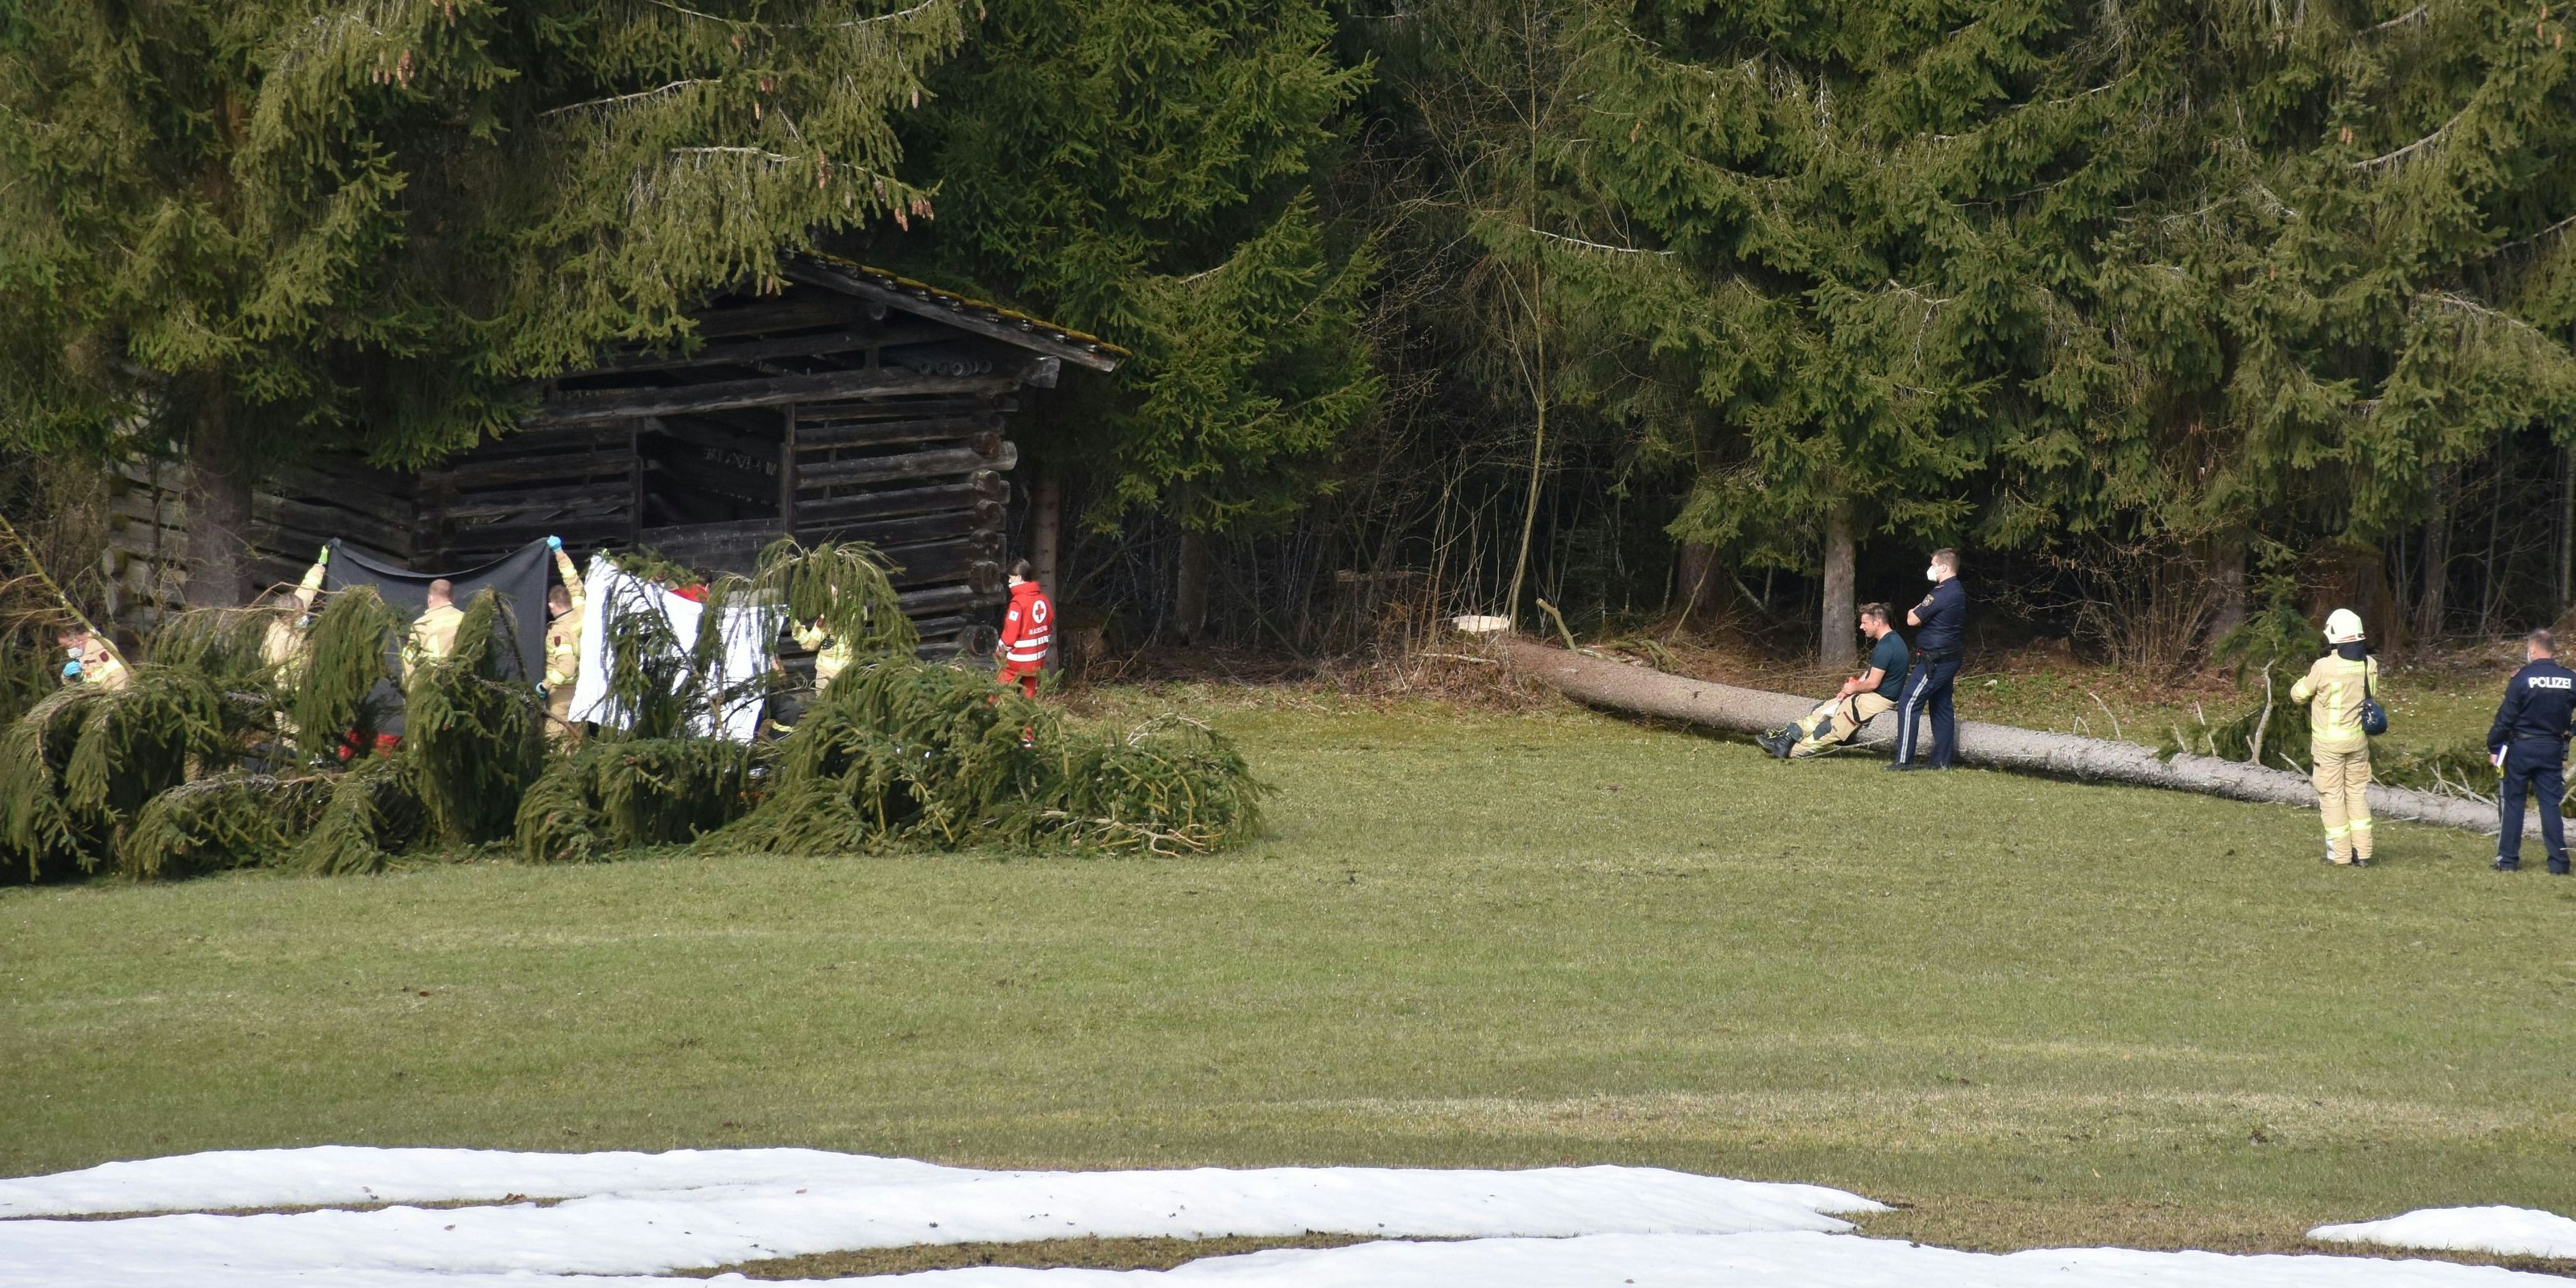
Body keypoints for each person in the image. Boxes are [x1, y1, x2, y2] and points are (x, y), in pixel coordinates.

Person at [1760, 604, 1910, 758]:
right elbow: (1870, 673)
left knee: (1828, 729)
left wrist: (1853, 689)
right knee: (1824, 709)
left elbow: (1873, 683)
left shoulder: (1887, 647)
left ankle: (1792, 752)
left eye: (1864, 623)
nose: (1861, 626)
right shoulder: (1890, 641)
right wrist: (1850, 688)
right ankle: (1784, 741)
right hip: (1869, 697)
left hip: (1877, 700)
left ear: (1877, 622)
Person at [2290, 608, 2380, 867]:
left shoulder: (2324, 667)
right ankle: (2362, 853)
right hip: (2358, 742)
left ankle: (2339, 855)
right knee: (2356, 794)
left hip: (2329, 745)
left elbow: (2299, 695)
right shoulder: (2369, 664)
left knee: (2331, 796)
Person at [2487, 627, 2575, 874]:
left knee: (2513, 803)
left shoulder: (2523, 678)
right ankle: (2559, 864)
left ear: (2533, 649)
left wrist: (2493, 744)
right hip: (2552, 748)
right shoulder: (2569, 678)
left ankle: (2507, 860)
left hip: (2520, 748)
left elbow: (2506, 717)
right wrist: (2570, 731)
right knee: (2550, 805)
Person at [1890, 547, 1966, 770]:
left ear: (1943, 567)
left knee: (1909, 702)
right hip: (1949, 658)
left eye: (1933, 564)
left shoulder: (1941, 593)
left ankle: (1904, 760)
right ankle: (1941, 762)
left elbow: (1912, 619)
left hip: (1935, 661)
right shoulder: (1957, 590)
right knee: (1941, 706)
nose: (1931, 569)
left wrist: (1915, 611)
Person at [260, 545, 332, 688]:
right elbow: (275, 669)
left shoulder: (295, 604)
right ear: (286, 618)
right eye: (298, 616)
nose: (303, 617)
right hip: (290, 686)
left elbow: (309, 585)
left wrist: (321, 563)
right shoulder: (276, 637)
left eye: (302, 613)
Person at [542, 537, 587, 745]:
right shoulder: (581, 610)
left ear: (551, 606)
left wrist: (545, 686)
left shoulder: (559, 632)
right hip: (583, 687)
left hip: (562, 693)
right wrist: (559, 552)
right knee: (578, 739)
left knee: (557, 742)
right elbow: (573, 581)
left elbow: (566, 667)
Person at [993, 559, 1053, 698]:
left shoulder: (1018, 603)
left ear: (1019, 578)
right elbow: (1049, 623)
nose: (1009, 582)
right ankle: (1028, 716)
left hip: (1018, 660)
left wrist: (999, 652)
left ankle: (989, 712)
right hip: (1037, 658)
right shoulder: (1043, 599)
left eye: (1010, 578)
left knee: (997, 690)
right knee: (1029, 690)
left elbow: (1009, 635)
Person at [402, 579, 463, 678]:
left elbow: (410, 664)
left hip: (431, 685)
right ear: (453, 599)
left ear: (429, 599)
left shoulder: (419, 625)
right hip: (464, 681)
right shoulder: (464, 618)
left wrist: (411, 690)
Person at [792, 616, 853, 692]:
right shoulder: (858, 611)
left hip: (827, 672)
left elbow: (810, 645)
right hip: (849, 669)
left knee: (823, 701)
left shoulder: (829, 617)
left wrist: (796, 628)